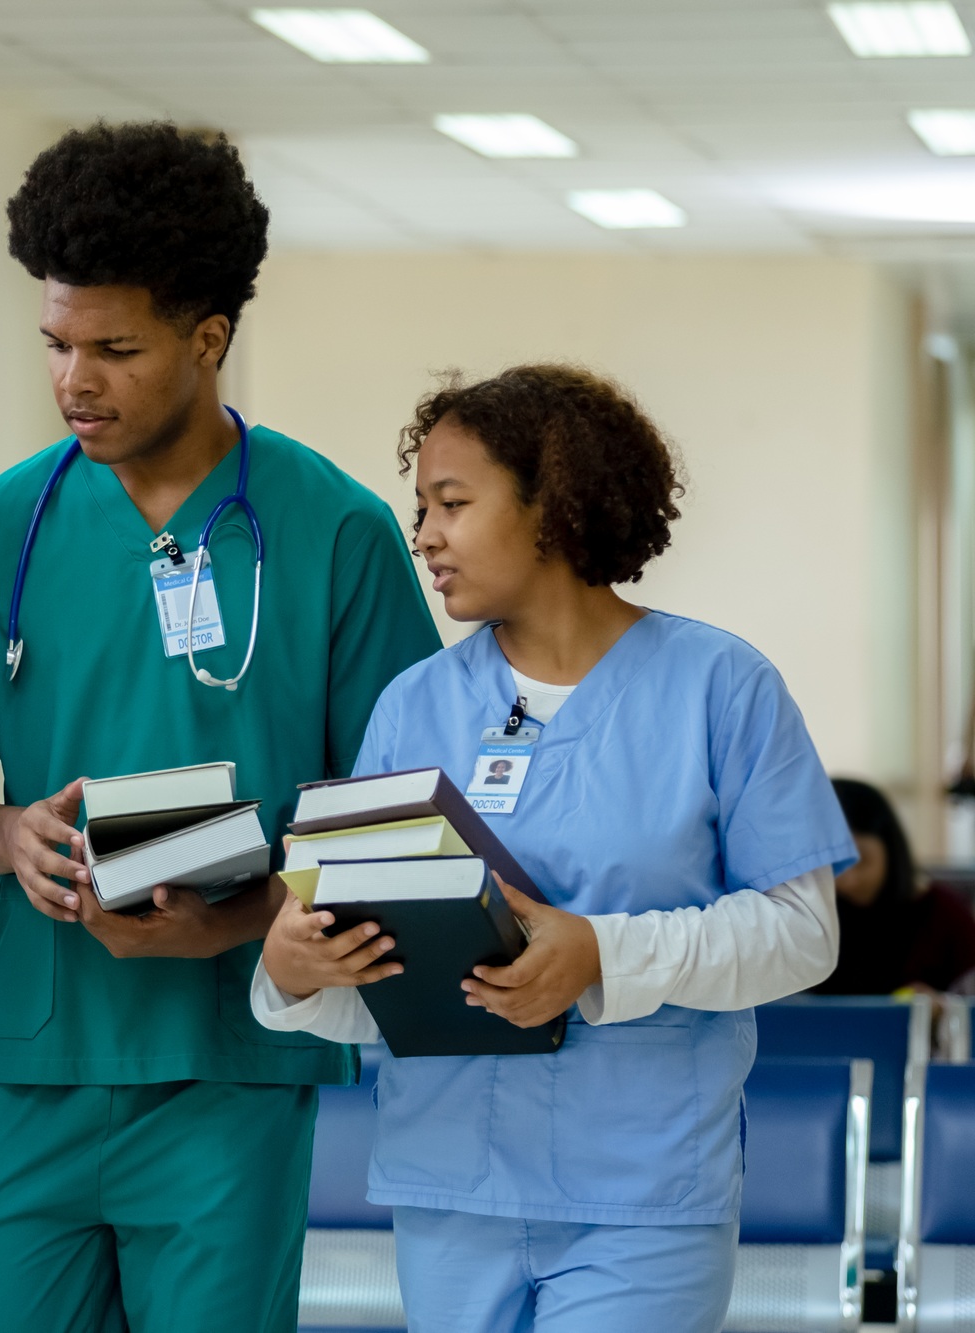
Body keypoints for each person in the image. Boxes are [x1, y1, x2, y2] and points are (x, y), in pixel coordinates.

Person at [0, 122, 439, 1333]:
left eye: (114, 348)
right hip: (33, 1059)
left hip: (230, 1073)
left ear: (207, 339)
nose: (72, 382)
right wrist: (0, 833)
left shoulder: (335, 534)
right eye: (53, 344)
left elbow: (401, 827)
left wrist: (234, 920)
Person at [255, 364, 854, 1333]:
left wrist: (600, 954)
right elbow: (379, 980)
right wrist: (296, 973)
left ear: (554, 506)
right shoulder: (413, 704)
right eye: (421, 506)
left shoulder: (720, 688)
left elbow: (799, 934)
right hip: (447, 1182)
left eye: (451, 502)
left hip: (640, 1188)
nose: (423, 537)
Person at [817, 777, 975, 995]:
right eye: (832, 866)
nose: (849, 879)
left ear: (891, 848)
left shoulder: (945, 915)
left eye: (861, 860)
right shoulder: (811, 917)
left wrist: (944, 1007)